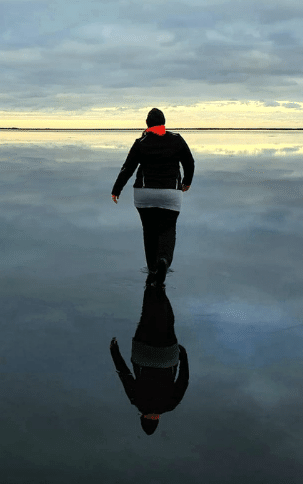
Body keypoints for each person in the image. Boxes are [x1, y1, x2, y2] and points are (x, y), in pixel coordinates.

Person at [111, 108, 194, 286]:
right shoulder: (176, 140)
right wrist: (187, 182)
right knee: (167, 229)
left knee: (149, 231)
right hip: (170, 193)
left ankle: (152, 270)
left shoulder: (141, 142)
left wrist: (116, 190)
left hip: (144, 193)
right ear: (164, 123)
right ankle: (163, 261)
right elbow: (189, 162)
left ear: (147, 124)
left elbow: (128, 168)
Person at [110, 284, 189, 435]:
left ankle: (159, 288)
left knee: (169, 320)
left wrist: (184, 356)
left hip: (167, 358)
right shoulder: (136, 401)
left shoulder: (171, 404)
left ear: (157, 420)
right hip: (142, 356)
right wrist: (114, 352)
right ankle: (153, 286)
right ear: (142, 419)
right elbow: (124, 374)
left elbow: (183, 380)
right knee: (145, 317)